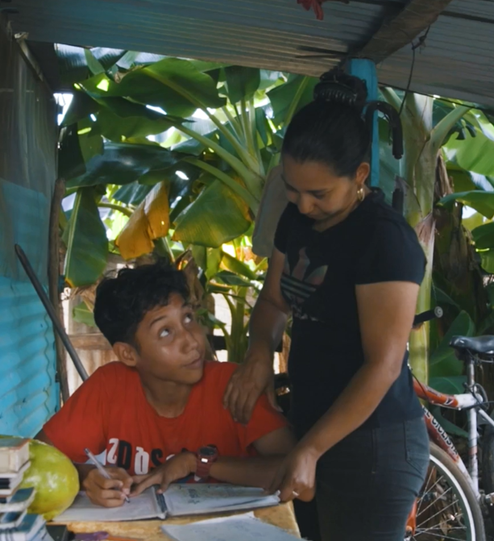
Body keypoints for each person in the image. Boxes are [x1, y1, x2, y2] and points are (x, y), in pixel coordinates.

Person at [223, 70, 430, 541]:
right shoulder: (294, 222)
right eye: (293, 191)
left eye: (319, 194)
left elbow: (382, 364)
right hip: (311, 426)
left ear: (359, 176)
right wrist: (258, 353)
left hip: (373, 443)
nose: (304, 205)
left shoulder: (382, 240)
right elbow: (274, 302)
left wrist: (312, 449)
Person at [35, 261, 313, 508]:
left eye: (188, 318)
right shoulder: (109, 387)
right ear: (128, 354)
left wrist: (198, 463)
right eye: (165, 332)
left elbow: (297, 475)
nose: (191, 341)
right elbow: (33, 460)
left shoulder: (234, 386)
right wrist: (88, 478)